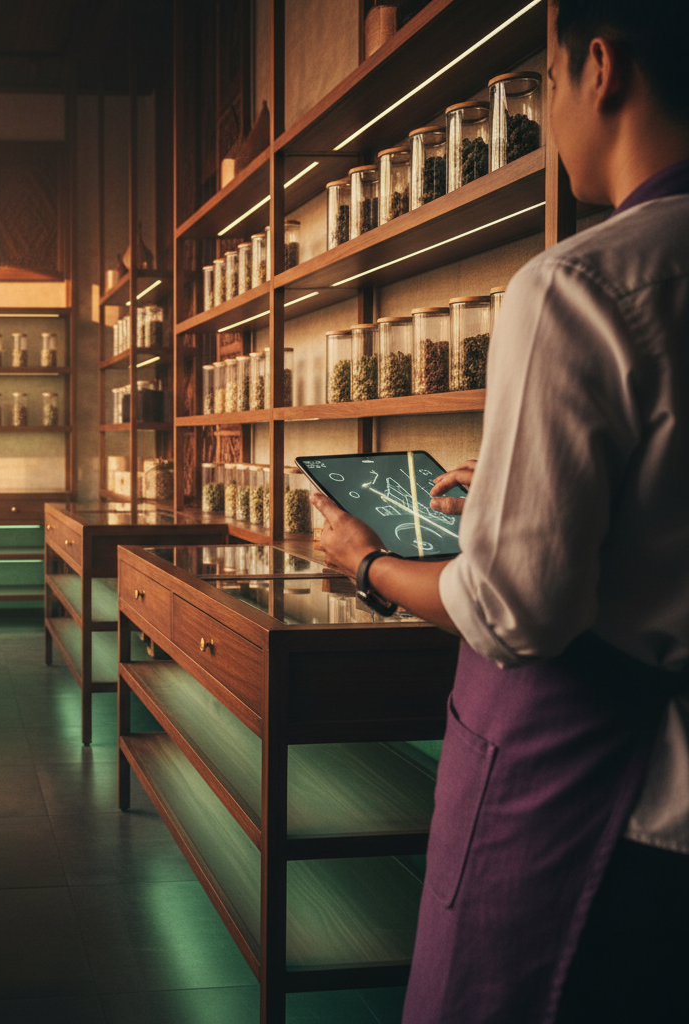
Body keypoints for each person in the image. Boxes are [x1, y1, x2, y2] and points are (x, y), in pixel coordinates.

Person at [311, 1, 689, 1020]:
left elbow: (518, 608)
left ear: (597, 69)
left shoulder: (575, 285)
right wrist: (518, 486)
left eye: (550, 83)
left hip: (610, 809)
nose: (553, 110)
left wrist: (363, 566)